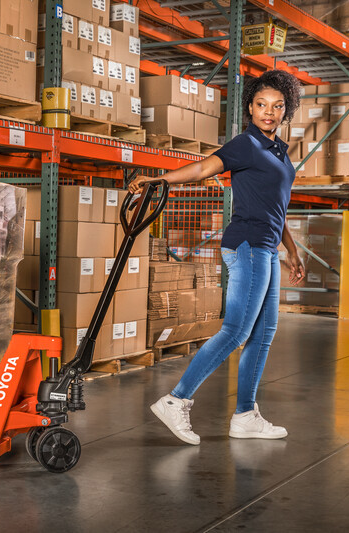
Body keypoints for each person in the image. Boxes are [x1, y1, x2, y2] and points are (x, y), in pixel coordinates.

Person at [128, 70, 306, 445]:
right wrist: (161, 180)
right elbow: (203, 167)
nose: (268, 112)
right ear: (250, 108)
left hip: (269, 249)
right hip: (249, 245)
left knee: (263, 333)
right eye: (261, 105)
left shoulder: (280, 153)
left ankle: (245, 415)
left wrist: (291, 250)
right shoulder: (246, 145)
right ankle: (176, 400)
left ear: (287, 110)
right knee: (237, 330)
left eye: (277, 106)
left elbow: (279, 208)